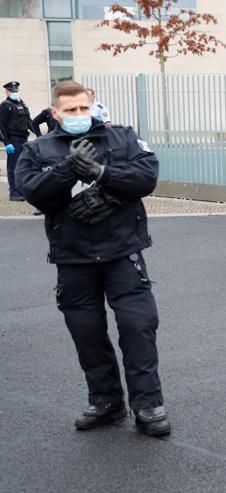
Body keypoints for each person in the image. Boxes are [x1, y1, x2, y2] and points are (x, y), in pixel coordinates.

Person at [16, 80, 170, 437]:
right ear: (55, 113)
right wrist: (68, 169)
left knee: (138, 327)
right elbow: (32, 191)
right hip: (74, 259)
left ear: (93, 106)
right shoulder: (37, 150)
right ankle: (106, 401)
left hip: (122, 253)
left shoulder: (122, 137)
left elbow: (147, 177)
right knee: (86, 332)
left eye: (84, 108)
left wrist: (102, 173)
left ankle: (148, 404)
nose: (79, 114)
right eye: (71, 110)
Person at [0, 81, 32, 201]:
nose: (15, 92)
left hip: (24, 139)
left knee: (23, 166)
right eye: (12, 91)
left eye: (16, 91)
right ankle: (13, 193)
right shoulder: (5, 105)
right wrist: (7, 142)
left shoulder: (22, 104)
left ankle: (21, 190)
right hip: (13, 140)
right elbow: (1, 125)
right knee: (13, 167)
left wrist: (39, 135)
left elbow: (29, 122)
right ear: (7, 92)